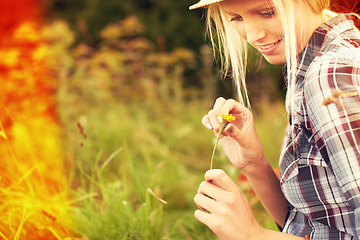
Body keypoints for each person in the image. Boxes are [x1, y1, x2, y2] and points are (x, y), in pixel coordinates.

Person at [189, 0, 360, 239]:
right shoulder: (313, 62)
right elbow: (308, 225)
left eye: (267, 12)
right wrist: (254, 163)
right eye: (236, 18)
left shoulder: (329, 75)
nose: (252, 35)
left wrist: (252, 235)